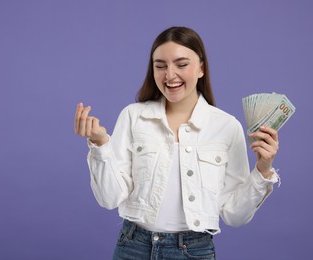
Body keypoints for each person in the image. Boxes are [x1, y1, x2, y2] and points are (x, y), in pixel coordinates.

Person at [74, 26, 279, 260]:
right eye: (160, 66)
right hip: (133, 247)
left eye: (181, 64)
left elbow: (235, 215)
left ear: (201, 68)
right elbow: (109, 198)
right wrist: (100, 144)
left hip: (194, 250)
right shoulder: (133, 117)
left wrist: (263, 171)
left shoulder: (227, 127)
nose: (169, 75)